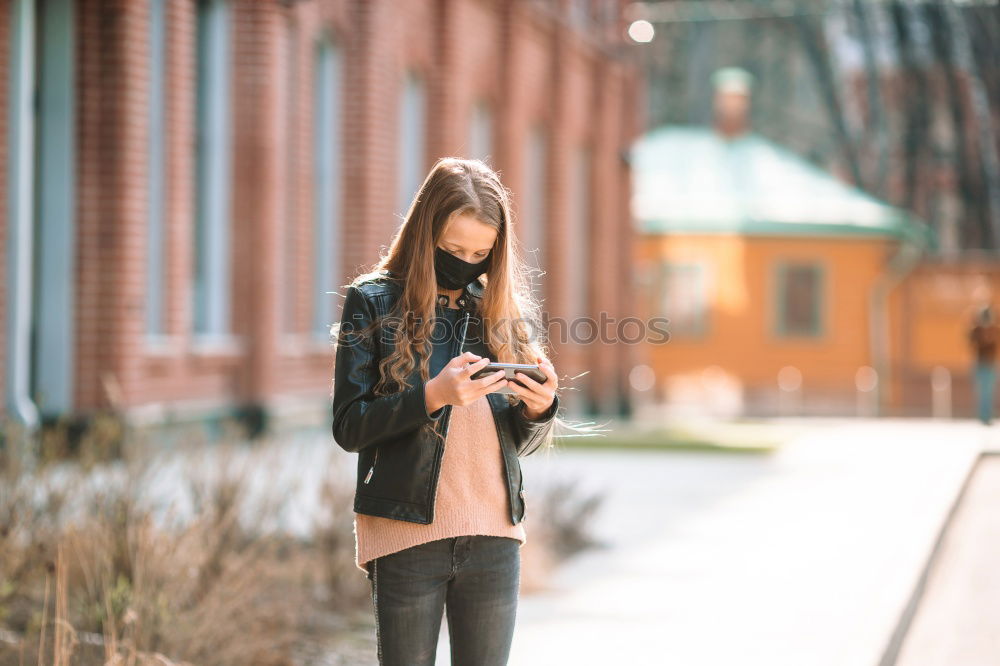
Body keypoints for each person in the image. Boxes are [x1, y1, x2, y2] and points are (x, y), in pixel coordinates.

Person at [331, 157, 561, 666]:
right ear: (423, 235)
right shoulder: (372, 303)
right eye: (454, 250)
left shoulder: (498, 311)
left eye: (481, 253)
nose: (468, 263)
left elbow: (510, 444)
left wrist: (538, 410)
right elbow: (349, 426)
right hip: (406, 531)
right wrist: (432, 395)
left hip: (495, 535)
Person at [968, 304, 1000, 425]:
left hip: (991, 364)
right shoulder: (976, 330)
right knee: (981, 391)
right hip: (980, 363)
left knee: (989, 391)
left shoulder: (995, 329)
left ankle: (987, 416)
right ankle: (982, 416)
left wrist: (991, 335)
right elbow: (971, 341)